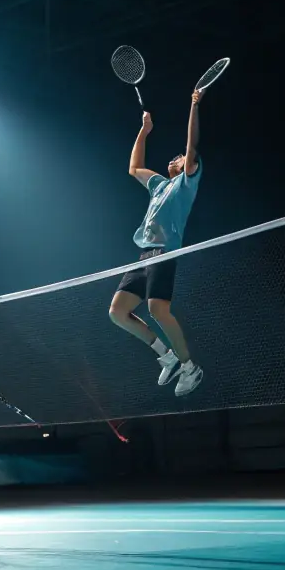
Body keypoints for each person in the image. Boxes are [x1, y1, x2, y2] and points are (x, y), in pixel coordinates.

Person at [108, 88, 207, 397]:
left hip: (165, 252)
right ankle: (167, 356)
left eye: (179, 158)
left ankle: (190, 367)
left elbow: (192, 145)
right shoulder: (159, 186)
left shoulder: (186, 184)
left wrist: (194, 105)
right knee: (117, 312)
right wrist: (144, 131)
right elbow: (133, 168)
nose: (175, 158)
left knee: (157, 309)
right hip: (144, 256)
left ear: (188, 165)